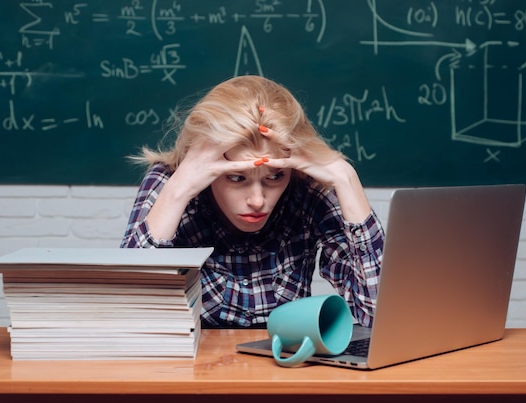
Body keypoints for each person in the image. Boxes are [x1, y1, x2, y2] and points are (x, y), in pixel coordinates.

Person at [121, 75, 384, 328]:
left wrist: (346, 177)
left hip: (285, 364)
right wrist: (177, 190)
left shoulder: (306, 187)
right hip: (192, 368)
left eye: (275, 177)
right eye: (236, 178)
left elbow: (378, 315)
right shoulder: (173, 182)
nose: (257, 200)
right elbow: (126, 313)